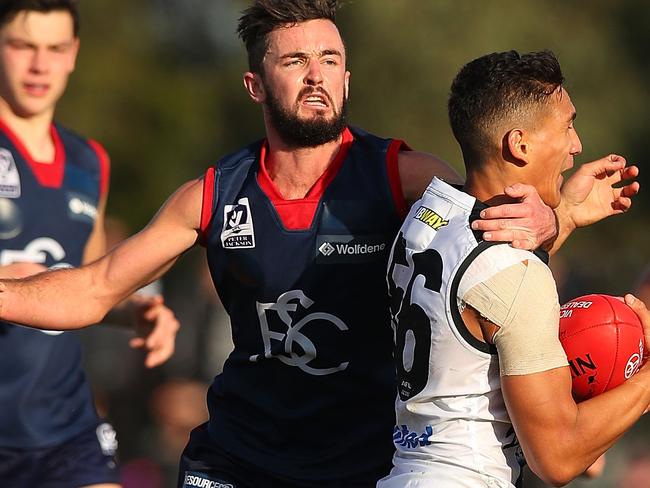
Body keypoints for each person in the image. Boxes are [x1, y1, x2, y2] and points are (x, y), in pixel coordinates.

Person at [0, 2, 637, 486]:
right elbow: (90, 289)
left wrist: (559, 218)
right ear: (255, 85)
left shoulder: (404, 176)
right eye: (295, 61)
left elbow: (495, 248)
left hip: (362, 462)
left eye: (329, 60)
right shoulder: (214, 194)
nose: (316, 76)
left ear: (348, 77)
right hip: (237, 455)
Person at [378, 49, 647, 488]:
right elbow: (558, 459)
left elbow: (483, 285)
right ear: (519, 144)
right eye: (568, 125)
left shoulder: (429, 212)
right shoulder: (514, 274)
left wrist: (568, 215)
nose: (577, 145)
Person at [0, 1, 180, 487]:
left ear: (74, 52)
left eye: (55, 48)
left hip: (63, 429)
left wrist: (137, 309)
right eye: (23, 46)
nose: (40, 65)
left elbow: (90, 282)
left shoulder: (89, 161)